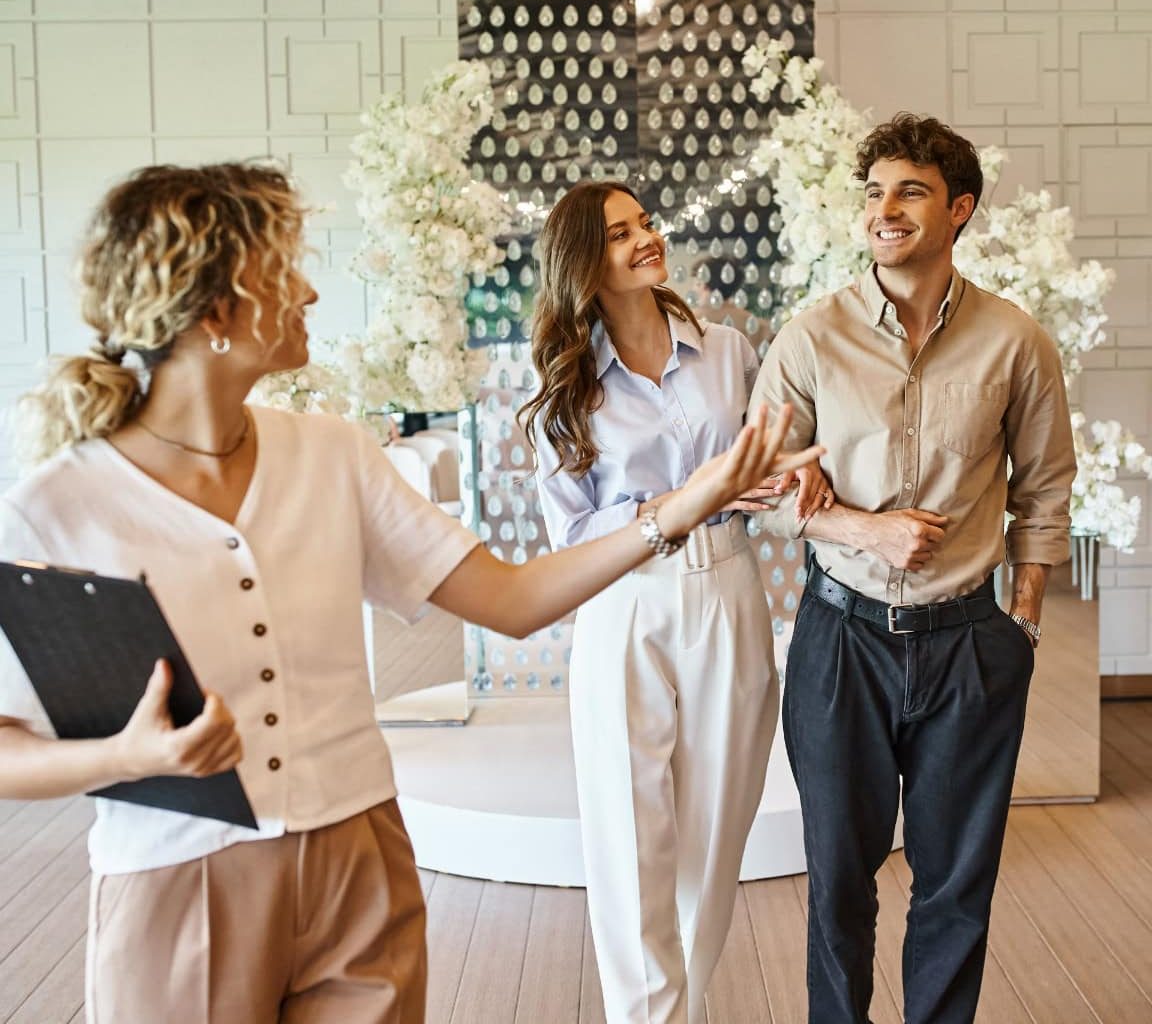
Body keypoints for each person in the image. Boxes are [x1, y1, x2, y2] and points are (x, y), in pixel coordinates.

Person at [0, 162, 825, 1024]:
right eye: (285, 270)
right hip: (180, 873)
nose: (312, 291)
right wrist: (125, 760)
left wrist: (695, 502)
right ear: (216, 311)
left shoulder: (331, 454)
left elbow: (510, 601)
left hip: (362, 860)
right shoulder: (56, 510)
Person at [750, 113, 1077, 1024]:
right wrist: (865, 530)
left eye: (910, 192)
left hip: (971, 644)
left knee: (955, 888)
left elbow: (1045, 488)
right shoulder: (810, 339)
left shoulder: (1016, 341)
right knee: (839, 889)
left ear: (959, 209)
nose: (883, 211)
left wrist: (1025, 620)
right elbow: (759, 488)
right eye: (873, 193)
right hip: (840, 640)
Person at [520, 180, 831, 1024]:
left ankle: (681, 1014)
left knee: (713, 833)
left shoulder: (727, 350)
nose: (645, 240)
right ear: (585, 260)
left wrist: (778, 477)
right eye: (619, 234)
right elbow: (572, 535)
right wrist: (685, 498)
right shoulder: (565, 380)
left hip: (730, 587)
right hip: (624, 600)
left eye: (645, 224)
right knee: (629, 839)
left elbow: (773, 459)